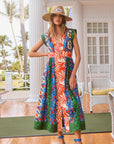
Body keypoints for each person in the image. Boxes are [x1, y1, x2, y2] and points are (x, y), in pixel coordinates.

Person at [28, 5, 85, 144]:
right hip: (52, 75)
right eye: (55, 16)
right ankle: (61, 140)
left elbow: (78, 57)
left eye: (60, 16)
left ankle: (78, 140)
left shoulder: (71, 33)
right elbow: (31, 53)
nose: (58, 18)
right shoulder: (46, 36)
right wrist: (48, 53)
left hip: (68, 74)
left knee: (73, 104)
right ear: (52, 19)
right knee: (55, 104)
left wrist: (73, 76)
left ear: (63, 19)